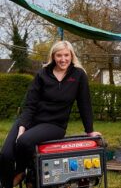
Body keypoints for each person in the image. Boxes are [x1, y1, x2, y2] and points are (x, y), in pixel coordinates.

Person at [0, 40, 101, 188]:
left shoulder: (78, 75)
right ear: (53, 56)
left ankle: (23, 172)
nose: (63, 59)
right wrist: (22, 126)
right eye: (59, 55)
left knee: (23, 142)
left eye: (66, 55)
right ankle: (6, 184)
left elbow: (84, 104)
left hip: (54, 124)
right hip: (31, 120)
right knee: (5, 155)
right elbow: (30, 104)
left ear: (71, 56)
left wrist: (89, 131)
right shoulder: (42, 74)